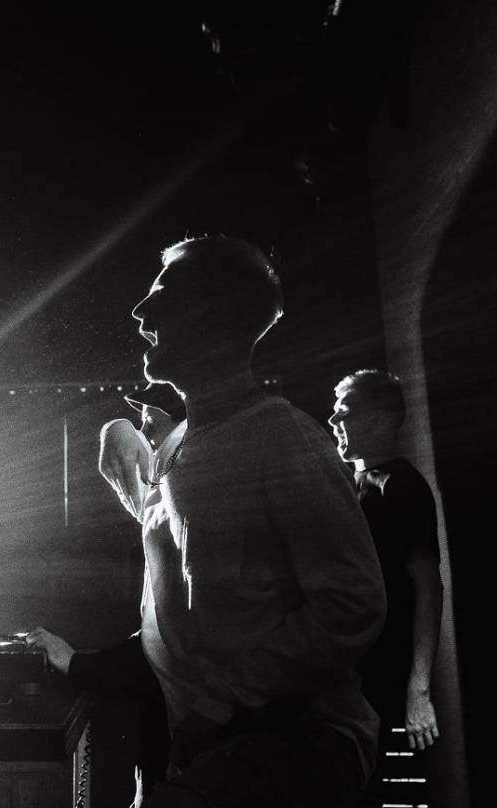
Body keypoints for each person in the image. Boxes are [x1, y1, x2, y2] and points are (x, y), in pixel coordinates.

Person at [127, 236, 386, 808]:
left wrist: (224, 701)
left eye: (162, 295)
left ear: (213, 314)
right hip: (217, 747)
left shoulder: (283, 438)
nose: (141, 313)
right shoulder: (180, 446)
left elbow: (354, 603)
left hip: (303, 738)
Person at [27, 382, 185, 807]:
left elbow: (172, 643)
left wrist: (76, 663)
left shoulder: (186, 499)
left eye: (149, 426)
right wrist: (114, 428)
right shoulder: (166, 501)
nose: (142, 438)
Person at [328, 370, 443, 804]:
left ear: (379, 418)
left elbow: (428, 588)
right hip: (348, 679)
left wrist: (418, 690)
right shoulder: (347, 486)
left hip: (386, 681)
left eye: (344, 411)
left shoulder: (402, 486)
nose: (333, 420)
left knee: (389, 792)